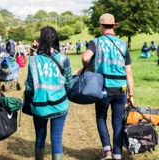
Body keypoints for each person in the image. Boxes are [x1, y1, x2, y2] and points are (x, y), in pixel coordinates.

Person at [80, 13, 134, 160]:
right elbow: (128, 71)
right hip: (121, 89)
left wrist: (88, 67)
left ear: (101, 26)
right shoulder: (123, 44)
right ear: (114, 26)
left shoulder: (96, 42)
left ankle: (107, 152)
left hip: (103, 87)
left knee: (101, 117)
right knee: (117, 122)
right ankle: (117, 155)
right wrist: (131, 95)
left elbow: (85, 57)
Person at [25, 26, 73, 160]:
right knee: (57, 138)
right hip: (60, 105)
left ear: (41, 40)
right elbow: (69, 83)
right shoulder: (63, 59)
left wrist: (29, 100)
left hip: (40, 106)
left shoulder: (33, 60)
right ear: (56, 39)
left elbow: (29, 87)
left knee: (40, 137)